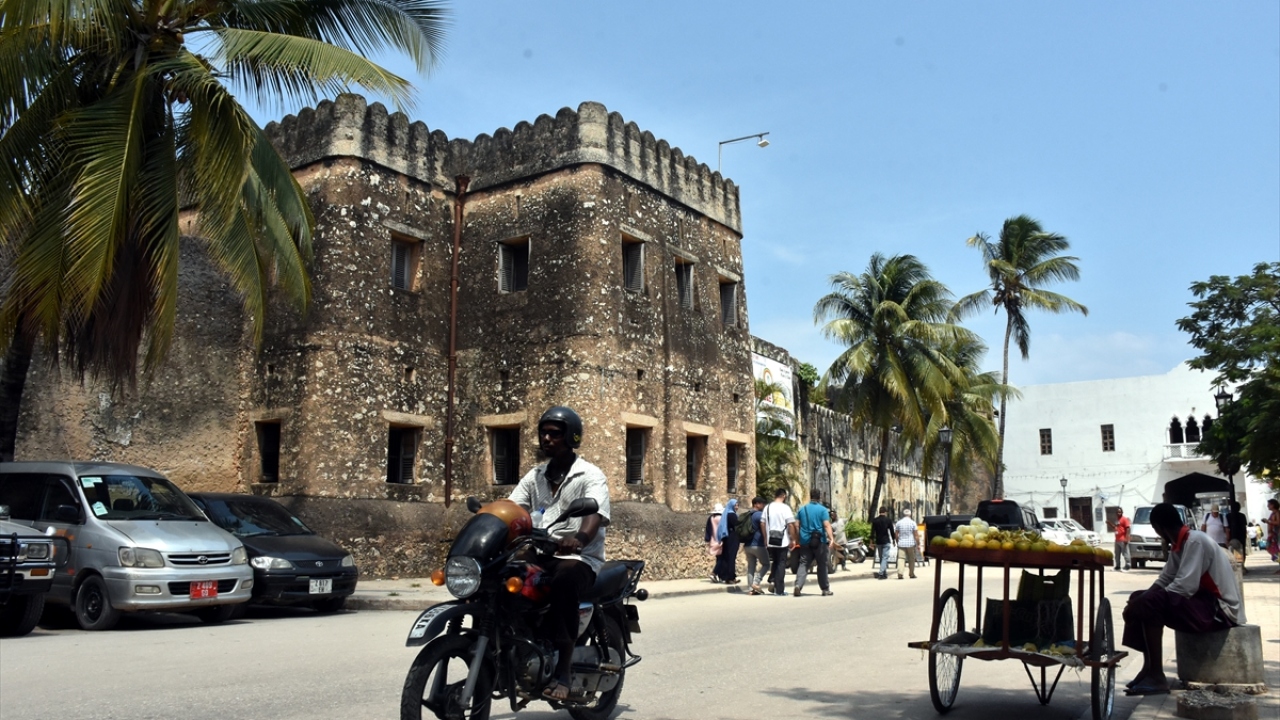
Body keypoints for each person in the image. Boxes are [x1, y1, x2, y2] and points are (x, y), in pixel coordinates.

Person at [508, 406, 611, 702]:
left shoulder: (589, 474)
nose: (547, 438)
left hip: (578, 558)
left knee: (565, 580)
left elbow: (594, 514)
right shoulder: (536, 475)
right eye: (544, 433)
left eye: (554, 433)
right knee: (500, 574)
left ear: (571, 437)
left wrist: (578, 538)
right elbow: (514, 507)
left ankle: (563, 670)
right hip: (540, 552)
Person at [1121, 503, 1243, 696]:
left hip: (1220, 610)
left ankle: (1157, 676)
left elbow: (1185, 586)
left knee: (1150, 602)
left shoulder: (1195, 541)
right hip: (1203, 602)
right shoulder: (1180, 543)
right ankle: (1149, 668)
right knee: (1139, 598)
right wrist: (1138, 601)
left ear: (1158, 528)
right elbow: (1166, 578)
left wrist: (1145, 601)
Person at [793, 489, 836, 597]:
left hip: (805, 540)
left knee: (803, 563)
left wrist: (797, 538)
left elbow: (796, 525)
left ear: (810, 496)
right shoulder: (823, 510)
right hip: (819, 541)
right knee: (822, 565)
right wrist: (831, 538)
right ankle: (825, 589)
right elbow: (826, 525)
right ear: (819, 497)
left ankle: (798, 585)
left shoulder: (802, 509)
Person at [763, 488, 798, 596]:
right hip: (782, 540)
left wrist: (765, 537)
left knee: (775, 561)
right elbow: (790, 524)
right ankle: (779, 590)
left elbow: (762, 523)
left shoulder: (767, 507)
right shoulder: (785, 508)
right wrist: (793, 539)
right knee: (781, 563)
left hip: (770, 540)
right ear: (783, 496)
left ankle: (773, 581)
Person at [743, 497, 770, 595]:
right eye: (762, 503)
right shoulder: (759, 514)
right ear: (756, 504)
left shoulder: (747, 514)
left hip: (747, 545)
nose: (763, 505)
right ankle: (756, 582)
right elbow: (763, 525)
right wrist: (765, 538)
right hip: (758, 544)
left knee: (751, 567)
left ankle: (751, 589)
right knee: (766, 564)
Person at [714, 499, 741, 584]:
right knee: (731, 557)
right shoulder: (732, 515)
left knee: (726, 557)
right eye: (735, 505)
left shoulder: (726, 514)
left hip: (727, 538)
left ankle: (725, 576)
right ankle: (730, 577)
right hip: (733, 538)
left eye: (737, 505)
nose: (737, 507)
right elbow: (737, 526)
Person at [895, 507, 920, 580]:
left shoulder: (899, 523)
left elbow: (896, 534)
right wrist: (918, 543)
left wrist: (897, 541)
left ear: (903, 514)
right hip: (910, 543)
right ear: (910, 515)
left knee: (901, 558)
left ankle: (900, 573)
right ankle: (911, 574)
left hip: (901, 543)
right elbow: (916, 534)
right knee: (911, 559)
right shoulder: (913, 523)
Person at [870, 506, 894, 580]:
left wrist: (871, 542)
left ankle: (884, 573)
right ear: (885, 512)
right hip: (886, 541)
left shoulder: (875, 520)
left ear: (879, 512)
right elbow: (892, 531)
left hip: (878, 541)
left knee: (881, 558)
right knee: (885, 557)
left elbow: (872, 532)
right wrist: (894, 540)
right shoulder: (888, 520)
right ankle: (881, 573)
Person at [704, 503, 724, 582]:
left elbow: (708, 529)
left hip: (713, 540)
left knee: (718, 558)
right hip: (720, 540)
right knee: (722, 559)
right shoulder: (721, 518)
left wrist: (707, 539)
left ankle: (720, 576)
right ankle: (714, 573)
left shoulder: (711, 518)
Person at [1108, 507, 1132, 572]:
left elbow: (1128, 529)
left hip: (1123, 539)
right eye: (1117, 512)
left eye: (1120, 512)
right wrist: (1109, 524)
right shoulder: (1117, 520)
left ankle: (1128, 566)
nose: (1119, 513)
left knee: (1125, 553)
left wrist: (1127, 538)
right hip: (1117, 540)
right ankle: (1117, 566)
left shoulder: (1124, 519)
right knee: (1117, 554)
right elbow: (1116, 527)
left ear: (1122, 512)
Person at [1225, 501, 1248, 567]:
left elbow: (1226, 527)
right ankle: (1241, 565)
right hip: (1241, 536)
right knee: (1241, 550)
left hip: (1232, 536)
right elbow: (1244, 527)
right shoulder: (1242, 516)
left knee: (1232, 551)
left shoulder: (1228, 516)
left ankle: (1235, 565)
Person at [1266, 498, 1280, 565]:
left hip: (1277, 533)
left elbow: (1278, 522)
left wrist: (1268, 521)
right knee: (1272, 548)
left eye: (1269, 505)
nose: (1267, 506)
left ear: (1273, 505)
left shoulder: (1277, 513)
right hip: (1273, 534)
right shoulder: (1273, 513)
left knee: (1276, 549)